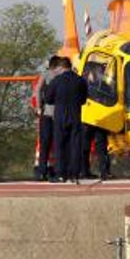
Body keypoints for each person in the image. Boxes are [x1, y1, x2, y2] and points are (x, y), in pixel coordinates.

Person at [43, 55, 88, 183]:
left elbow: (48, 99)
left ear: (62, 67)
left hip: (60, 115)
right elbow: (84, 99)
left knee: (60, 145)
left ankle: (61, 174)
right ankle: (74, 174)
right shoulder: (80, 80)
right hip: (75, 115)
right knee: (75, 145)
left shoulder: (56, 81)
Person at [33, 65, 57, 181]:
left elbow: (37, 91)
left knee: (44, 144)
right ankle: (55, 170)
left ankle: (42, 171)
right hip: (60, 115)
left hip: (46, 114)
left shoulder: (45, 76)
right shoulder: (63, 76)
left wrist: (38, 108)